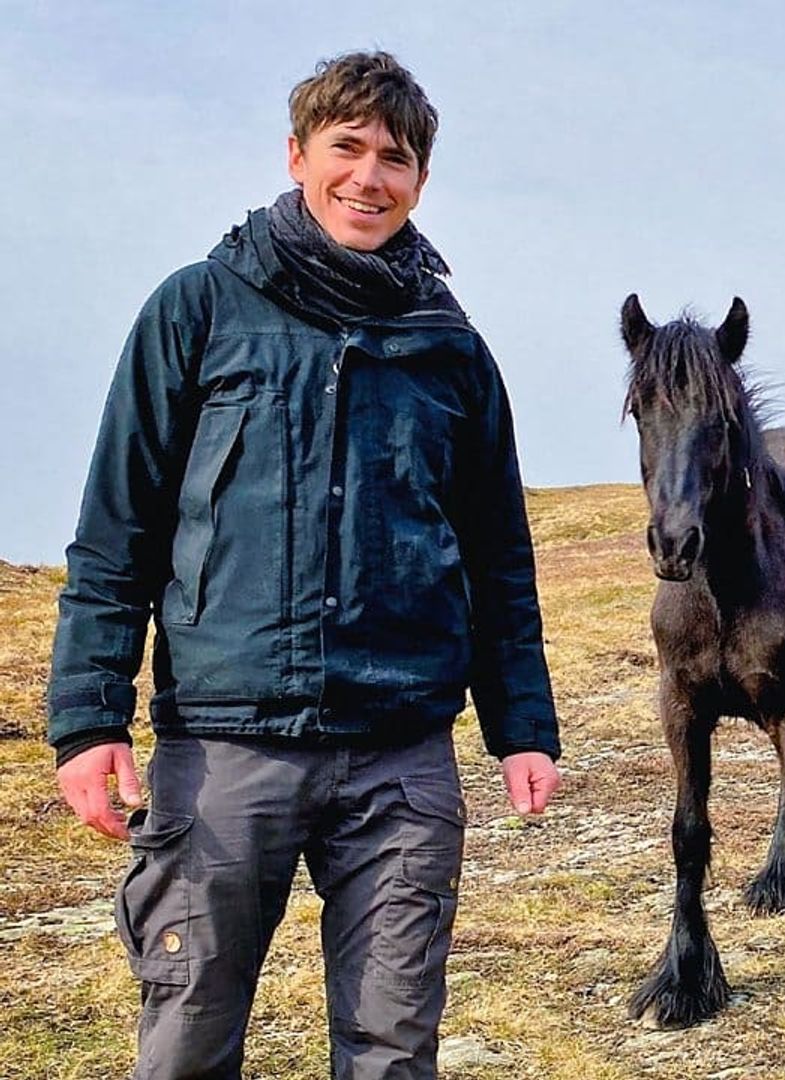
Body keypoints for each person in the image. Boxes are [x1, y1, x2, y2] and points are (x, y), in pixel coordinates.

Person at [46, 50, 562, 1078]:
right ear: (297, 155)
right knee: (188, 1034)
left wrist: (522, 726)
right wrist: (89, 716)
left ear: (420, 180)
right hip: (226, 751)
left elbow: (499, 557)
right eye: (348, 149)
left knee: (392, 1046)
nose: (370, 178)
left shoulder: (450, 351)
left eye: (396, 158)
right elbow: (120, 528)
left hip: (403, 754)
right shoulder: (197, 309)